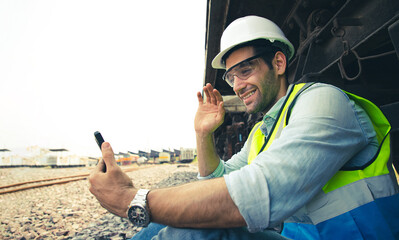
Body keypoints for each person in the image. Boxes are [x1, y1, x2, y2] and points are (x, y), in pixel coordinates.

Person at [89, 16, 399, 239]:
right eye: (231, 77)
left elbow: (252, 196)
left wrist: (131, 200)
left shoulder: (323, 101)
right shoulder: (262, 132)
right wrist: (203, 135)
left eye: (245, 70)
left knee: (195, 228)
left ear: (278, 64)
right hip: (303, 235)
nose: (237, 86)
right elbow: (215, 182)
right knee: (181, 220)